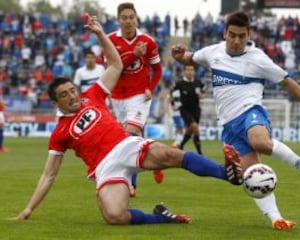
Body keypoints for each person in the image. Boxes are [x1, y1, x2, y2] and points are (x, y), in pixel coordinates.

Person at [12, 15, 242, 226]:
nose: (72, 96)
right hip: (104, 166)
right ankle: (161, 217)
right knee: (114, 216)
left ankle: (226, 173)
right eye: (64, 95)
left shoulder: (92, 95)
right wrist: (28, 208)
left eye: (72, 90)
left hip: (126, 145)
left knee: (170, 154)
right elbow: (49, 174)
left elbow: (116, 65)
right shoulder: (60, 133)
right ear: (55, 103)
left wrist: (101, 34)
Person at [171, 11, 300, 230]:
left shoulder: (258, 58)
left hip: (251, 112)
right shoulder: (212, 52)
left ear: (248, 35)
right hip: (229, 126)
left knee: (260, 141)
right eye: (232, 35)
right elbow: (190, 57)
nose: (236, 41)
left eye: (241, 36)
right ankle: (276, 219)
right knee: (253, 177)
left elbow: (287, 81)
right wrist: (180, 55)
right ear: (224, 33)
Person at [108, 2, 164, 195]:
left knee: (129, 136)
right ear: (119, 20)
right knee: (127, 141)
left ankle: (131, 184)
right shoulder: (110, 40)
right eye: (124, 17)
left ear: (136, 19)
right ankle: (155, 161)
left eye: (132, 17)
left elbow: (157, 69)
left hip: (139, 96)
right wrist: (134, 55)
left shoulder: (148, 41)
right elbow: (114, 67)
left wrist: (150, 87)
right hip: (117, 97)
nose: (129, 21)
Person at [170, 65, 206, 154]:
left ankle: (181, 145)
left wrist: (202, 96)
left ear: (194, 71)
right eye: (188, 70)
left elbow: (204, 92)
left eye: (191, 70)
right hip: (185, 109)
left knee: (190, 130)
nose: (190, 72)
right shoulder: (180, 83)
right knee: (194, 127)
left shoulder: (198, 82)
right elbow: (171, 92)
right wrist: (173, 103)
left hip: (196, 110)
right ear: (184, 71)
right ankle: (200, 153)